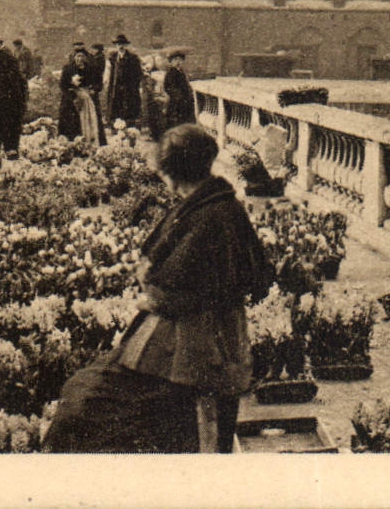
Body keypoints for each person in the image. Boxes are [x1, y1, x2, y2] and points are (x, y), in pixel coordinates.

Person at [43, 124, 274, 453]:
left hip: (192, 349)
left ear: (173, 173)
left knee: (85, 405)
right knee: (90, 392)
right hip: (204, 337)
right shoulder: (217, 203)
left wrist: (150, 290)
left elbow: (171, 287)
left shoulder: (210, 215)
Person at [58, 46, 105, 144]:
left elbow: (99, 83)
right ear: (74, 57)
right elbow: (63, 85)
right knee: (73, 122)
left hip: (88, 99)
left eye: (82, 56)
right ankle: (75, 143)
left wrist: (94, 90)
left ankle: (90, 141)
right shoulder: (68, 69)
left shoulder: (92, 69)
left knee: (91, 119)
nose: (80, 59)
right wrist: (73, 96)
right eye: (77, 57)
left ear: (85, 58)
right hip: (72, 99)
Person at [148, 48, 198, 139]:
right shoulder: (171, 73)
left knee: (184, 123)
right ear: (171, 62)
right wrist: (180, 97)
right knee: (176, 124)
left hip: (184, 103)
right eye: (175, 60)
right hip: (176, 104)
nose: (178, 62)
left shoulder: (181, 72)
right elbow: (169, 88)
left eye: (180, 60)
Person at [109, 34, 145, 126]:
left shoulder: (133, 58)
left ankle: (130, 129)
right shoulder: (113, 58)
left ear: (126, 46)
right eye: (118, 44)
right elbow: (111, 75)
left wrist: (132, 86)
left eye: (123, 44)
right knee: (116, 109)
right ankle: (117, 129)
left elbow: (138, 74)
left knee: (130, 109)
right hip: (116, 89)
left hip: (129, 89)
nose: (121, 46)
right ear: (116, 46)